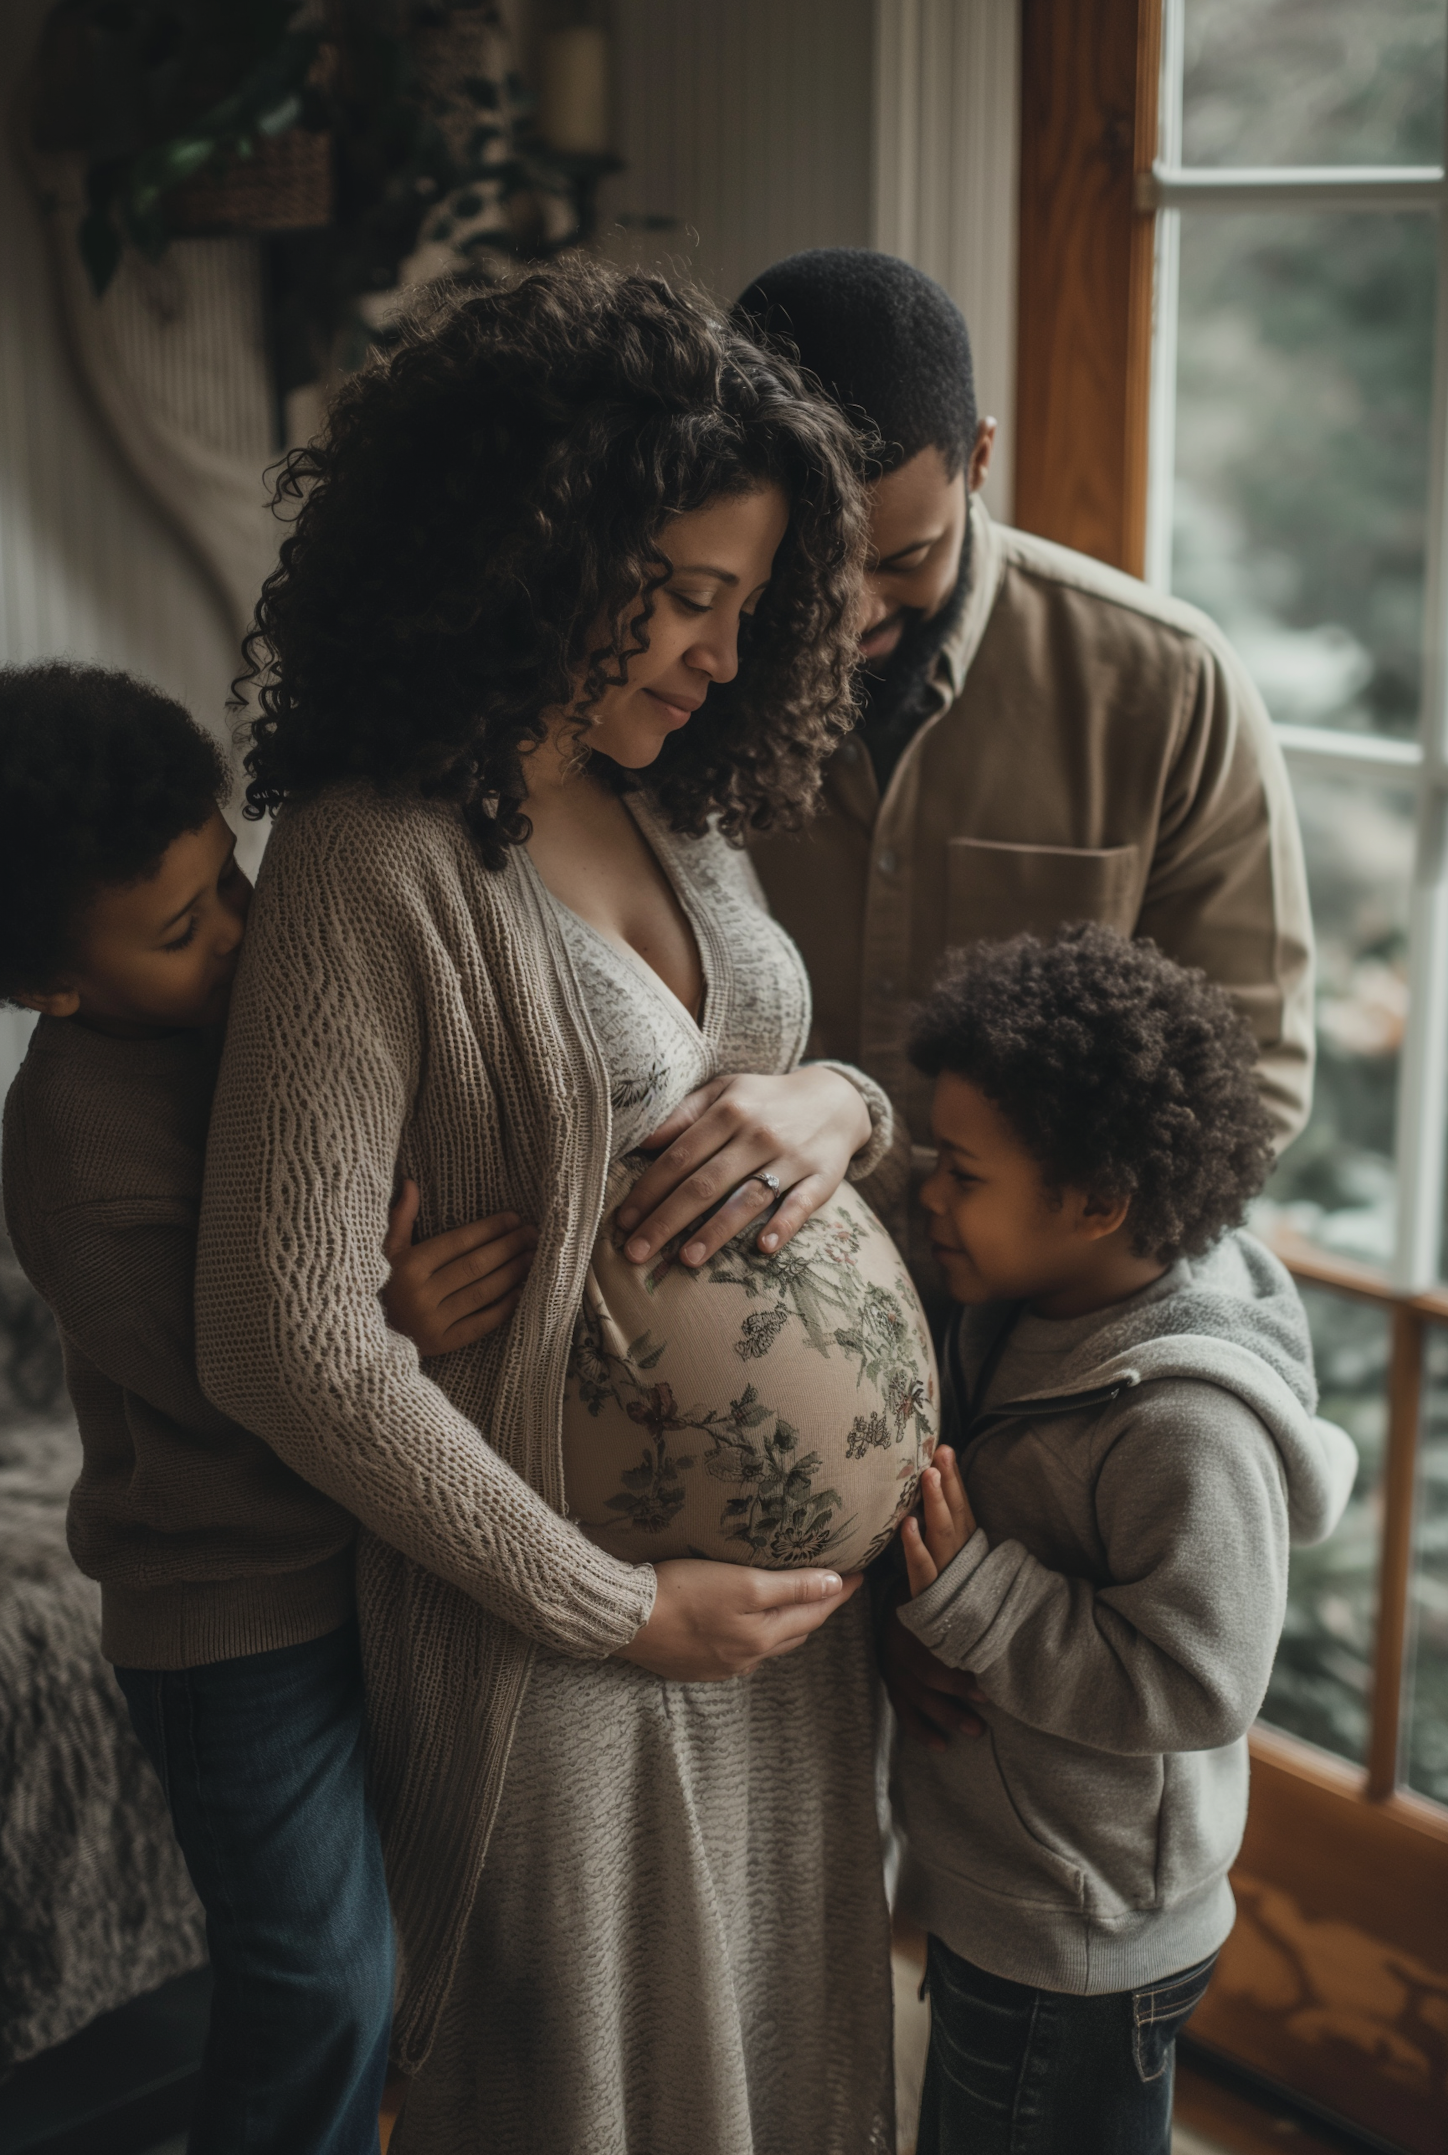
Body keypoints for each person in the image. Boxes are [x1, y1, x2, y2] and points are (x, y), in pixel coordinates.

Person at [192, 264, 926, 2154]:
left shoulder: (676, 797)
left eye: (747, 607)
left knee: (780, 2077)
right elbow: (279, 1336)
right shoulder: (373, 857)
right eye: (683, 592)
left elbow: (771, 1091)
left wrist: (842, 1099)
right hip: (563, 1636)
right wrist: (613, 1609)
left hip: (770, 1633)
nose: (715, 650)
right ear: (529, 551)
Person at [735, 244, 1318, 1756]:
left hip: (1048, 1410)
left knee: (1022, 1874)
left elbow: (1248, 1078)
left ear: (981, 458)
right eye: (811, 559)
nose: (850, 611)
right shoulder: (678, 684)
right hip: (745, 1366)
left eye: (903, 558)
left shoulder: (1167, 687)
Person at [0, 664, 538, 2153]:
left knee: (418, 1948)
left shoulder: (256, 1009)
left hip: (372, 1563)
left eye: (227, 877)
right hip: (225, 1618)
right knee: (318, 1983)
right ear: (55, 982)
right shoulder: (71, 1144)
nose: (237, 928)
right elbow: (247, 1379)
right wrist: (394, 1325)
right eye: (181, 929)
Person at [892, 926, 1356, 2155]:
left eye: (964, 1173)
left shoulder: (1189, 1428)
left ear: (1096, 1204)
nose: (929, 1191)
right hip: (1013, 1891)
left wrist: (981, 1600)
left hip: (1084, 1937)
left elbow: (1200, 1678)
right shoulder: (1036, 1298)